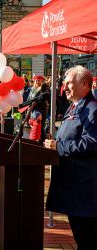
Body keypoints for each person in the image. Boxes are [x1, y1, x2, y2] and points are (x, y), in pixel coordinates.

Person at [44, 65, 97, 250]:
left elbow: (91, 142)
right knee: (81, 235)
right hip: (71, 184)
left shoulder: (92, 109)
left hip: (82, 187)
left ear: (84, 84)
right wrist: (56, 141)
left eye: (69, 83)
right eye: (64, 83)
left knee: (87, 237)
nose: (64, 87)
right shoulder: (74, 105)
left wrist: (59, 146)